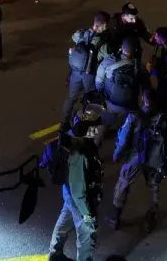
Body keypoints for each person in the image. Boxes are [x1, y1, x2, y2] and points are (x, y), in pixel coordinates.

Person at [109, 89, 167, 233]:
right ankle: (150, 218)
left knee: (123, 184)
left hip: (135, 157)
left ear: (143, 99)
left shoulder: (134, 117)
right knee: (154, 188)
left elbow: (123, 140)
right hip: (156, 160)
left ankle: (115, 217)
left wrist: (117, 155)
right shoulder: (166, 118)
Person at [45, 102, 104, 261]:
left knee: (66, 216)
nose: (100, 129)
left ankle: (54, 253)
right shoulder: (80, 153)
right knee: (86, 232)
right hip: (78, 197)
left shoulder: (74, 135)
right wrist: (88, 216)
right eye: (97, 126)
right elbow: (79, 192)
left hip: (69, 191)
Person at [63, 11, 113, 124]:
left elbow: (74, 36)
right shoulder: (101, 42)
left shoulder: (81, 34)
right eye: (105, 26)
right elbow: (108, 55)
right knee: (92, 99)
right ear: (102, 24)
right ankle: (87, 124)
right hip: (89, 74)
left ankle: (64, 124)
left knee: (71, 98)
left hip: (75, 72)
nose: (105, 28)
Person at [95, 36, 144, 134]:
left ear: (122, 48)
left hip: (110, 102)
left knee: (104, 122)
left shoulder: (109, 61)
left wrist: (103, 95)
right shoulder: (138, 67)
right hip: (129, 105)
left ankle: (99, 138)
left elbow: (98, 82)